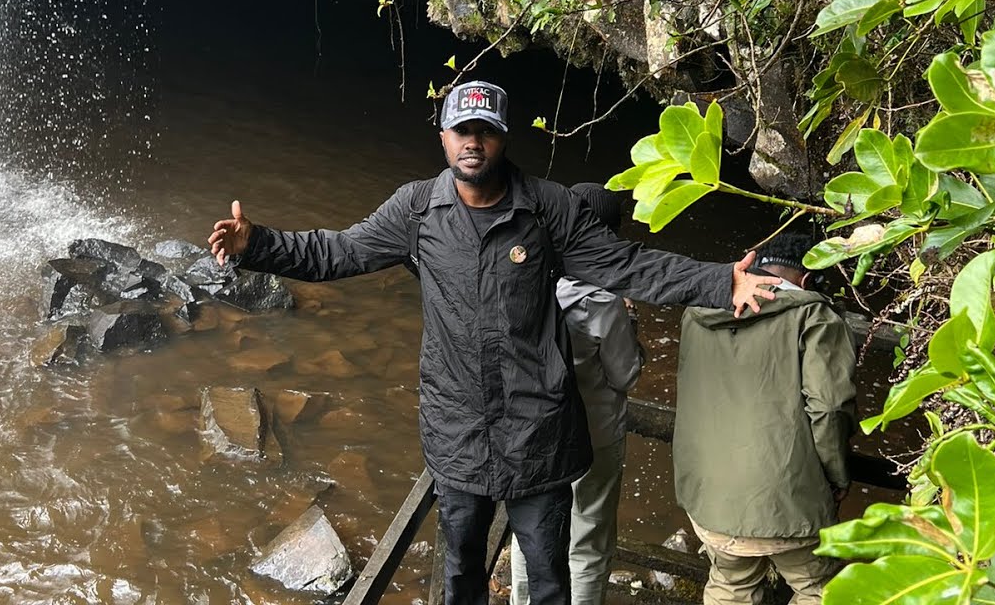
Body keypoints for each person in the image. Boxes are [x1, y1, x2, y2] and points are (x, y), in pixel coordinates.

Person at [208, 80, 783, 605]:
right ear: (443, 137)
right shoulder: (416, 211)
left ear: (503, 138)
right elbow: (336, 252)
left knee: (549, 579)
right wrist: (257, 244)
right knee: (460, 572)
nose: (473, 142)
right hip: (458, 432)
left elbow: (625, 266)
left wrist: (717, 281)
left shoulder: (548, 208)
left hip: (540, 432)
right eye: (462, 130)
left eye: (485, 131)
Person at [673, 232, 856, 605]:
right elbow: (829, 407)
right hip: (787, 495)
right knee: (819, 589)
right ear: (807, 280)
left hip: (709, 493)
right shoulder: (814, 316)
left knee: (729, 584)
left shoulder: (697, 312)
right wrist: (835, 476)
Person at [509, 182, 644, 605]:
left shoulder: (521, 276)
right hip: (592, 434)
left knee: (531, 530)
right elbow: (625, 376)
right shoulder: (602, 300)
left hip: (532, 430)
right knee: (587, 536)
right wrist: (631, 326)